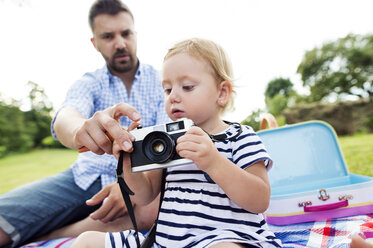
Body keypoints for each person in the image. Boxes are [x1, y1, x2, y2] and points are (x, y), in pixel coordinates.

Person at [70, 38, 282, 248]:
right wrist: (128, 165)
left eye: (187, 87)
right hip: (165, 242)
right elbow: (145, 196)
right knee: (87, 241)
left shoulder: (240, 137)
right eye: (168, 89)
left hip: (224, 239)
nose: (173, 97)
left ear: (222, 92)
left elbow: (260, 200)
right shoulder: (165, 142)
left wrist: (214, 162)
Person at [0, 0, 169, 247]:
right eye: (108, 36)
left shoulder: (162, 82)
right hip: (83, 179)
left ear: (135, 34)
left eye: (126, 33)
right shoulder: (90, 82)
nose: (120, 43)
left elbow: (168, 141)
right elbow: (66, 115)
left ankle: (46, 237)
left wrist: (132, 186)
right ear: (95, 43)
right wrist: (80, 129)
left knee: (150, 208)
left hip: (142, 185)